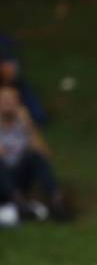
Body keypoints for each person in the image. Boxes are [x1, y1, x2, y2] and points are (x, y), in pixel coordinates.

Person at [0, 87, 64, 220]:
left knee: (35, 156)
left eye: (11, 100)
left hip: (20, 174)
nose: (7, 104)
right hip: (3, 178)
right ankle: (19, 203)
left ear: (18, 103)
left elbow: (45, 154)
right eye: (4, 100)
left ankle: (57, 201)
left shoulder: (23, 123)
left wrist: (29, 127)